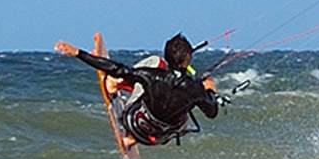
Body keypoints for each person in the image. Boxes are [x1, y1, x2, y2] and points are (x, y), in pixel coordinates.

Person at [55, 33, 223, 148]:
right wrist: (209, 91)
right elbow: (212, 112)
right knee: (184, 118)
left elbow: (116, 67)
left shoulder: (152, 76)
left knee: (147, 68)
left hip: (132, 122)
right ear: (187, 59)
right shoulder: (195, 89)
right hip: (154, 138)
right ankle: (130, 141)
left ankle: (116, 83)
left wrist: (78, 53)